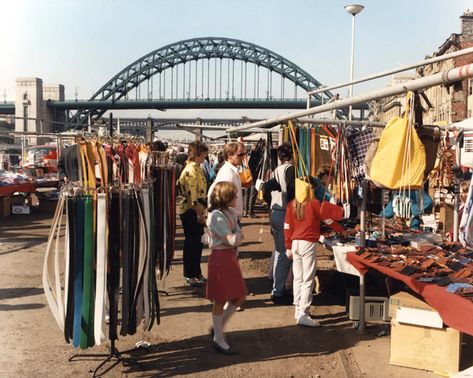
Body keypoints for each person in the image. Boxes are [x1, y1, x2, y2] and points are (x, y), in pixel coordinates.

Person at [284, 184, 345, 327]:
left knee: (298, 278)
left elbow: (286, 226)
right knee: (308, 279)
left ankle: (298, 309)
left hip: (295, 243)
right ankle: (304, 313)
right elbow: (328, 219)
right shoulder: (314, 203)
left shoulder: (291, 204)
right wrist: (340, 229)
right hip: (307, 244)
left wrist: (287, 246)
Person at [205, 181, 246, 354]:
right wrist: (237, 235)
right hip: (220, 259)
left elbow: (234, 236)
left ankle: (218, 329)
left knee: (239, 296)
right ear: (227, 198)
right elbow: (231, 238)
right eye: (234, 195)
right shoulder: (216, 216)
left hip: (229, 258)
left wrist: (236, 236)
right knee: (220, 299)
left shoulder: (228, 212)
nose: (237, 197)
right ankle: (218, 337)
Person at [262, 142, 295, 305]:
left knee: (278, 252)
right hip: (283, 213)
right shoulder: (290, 170)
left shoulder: (277, 169)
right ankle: (278, 292)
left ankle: (277, 287)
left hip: (275, 212)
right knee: (284, 254)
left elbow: (265, 189)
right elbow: (291, 193)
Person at [177, 141, 209, 286]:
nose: (206, 156)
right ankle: (190, 274)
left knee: (197, 243)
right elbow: (192, 196)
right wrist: (199, 214)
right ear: (199, 154)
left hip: (196, 210)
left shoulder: (196, 168)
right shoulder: (190, 170)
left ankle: (196, 272)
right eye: (204, 154)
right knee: (192, 243)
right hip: (191, 211)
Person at [208, 142, 246, 219]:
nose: (243, 157)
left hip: (230, 216)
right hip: (228, 217)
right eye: (240, 155)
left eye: (244, 154)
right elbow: (221, 197)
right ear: (230, 155)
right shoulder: (228, 173)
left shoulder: (231, 171)